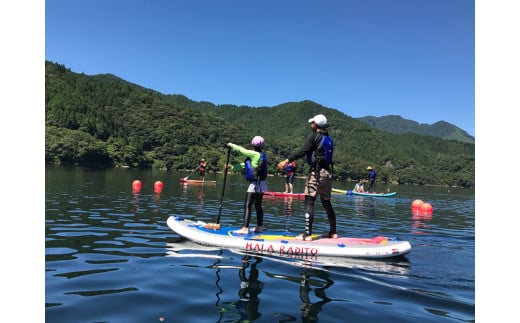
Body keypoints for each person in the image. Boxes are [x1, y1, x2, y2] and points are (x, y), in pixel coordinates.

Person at [277, 114, 337, 241]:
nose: (311, 125)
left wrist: (286, 160)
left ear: (316, 125)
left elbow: (303, 151)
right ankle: (333, 233)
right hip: (327, 173)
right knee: (327, 203)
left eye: (312, 122)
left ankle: (307, 235)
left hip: (316, 173)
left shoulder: (314, 136)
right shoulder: (328, 138)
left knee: (309, 201)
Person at [227, 136, 268, 234]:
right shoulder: (261, 155)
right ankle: (259, 227)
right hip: (262, 183)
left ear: (253, 144)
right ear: (262, 146)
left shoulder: (254, 154)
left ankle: (245, 228)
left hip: (255, 184)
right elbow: (245, 165)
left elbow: (242, 150)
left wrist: (231, 145)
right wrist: (232, 167)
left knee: (247, 205)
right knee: (258, 206)